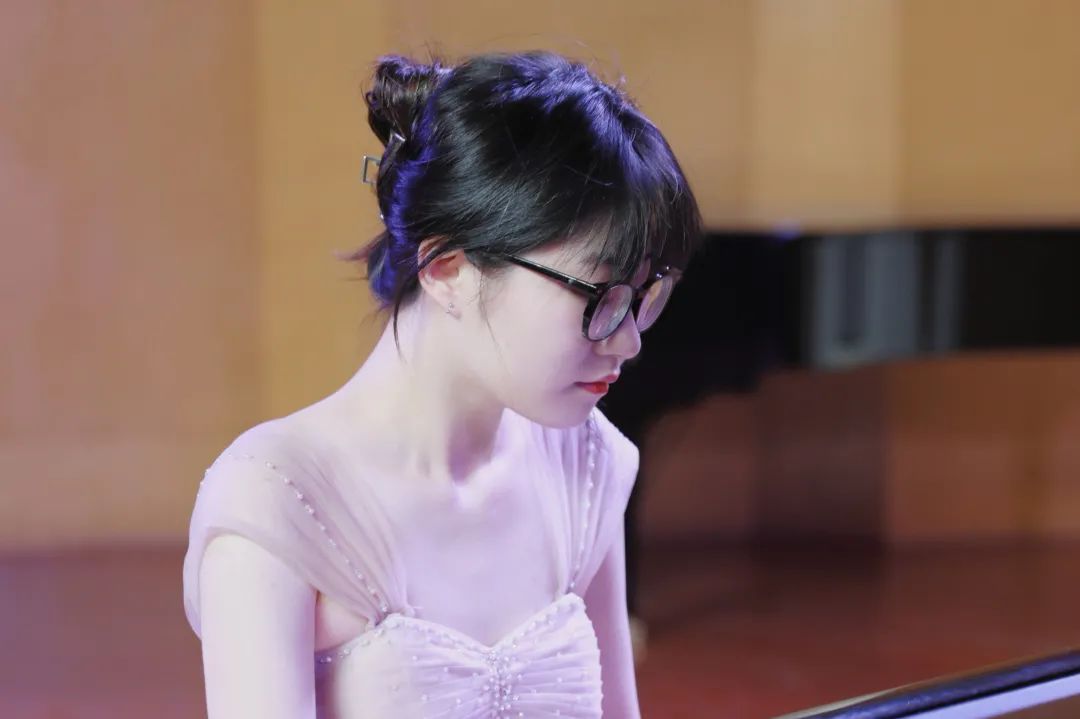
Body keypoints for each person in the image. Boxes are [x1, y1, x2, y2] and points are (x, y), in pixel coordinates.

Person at [182, 49, 702, 719]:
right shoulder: (279, 498)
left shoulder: (586, 462)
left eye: (643, 297)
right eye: (600, 296)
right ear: (446, 269)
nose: (629, 340)